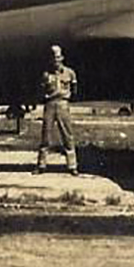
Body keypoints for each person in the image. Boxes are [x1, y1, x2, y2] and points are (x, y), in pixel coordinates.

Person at [36, 44, 79, 175]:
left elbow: (74, 89)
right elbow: (41, 89)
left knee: (67, 135)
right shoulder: (45, 74)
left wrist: (67, 98)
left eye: (58, 58)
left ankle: (72, 166)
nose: (56, 61)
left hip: (63, 104)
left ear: (62, 59)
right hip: (50, 104)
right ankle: (41, 165)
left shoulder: (70, 73)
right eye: (54, 58)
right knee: (46, 134)